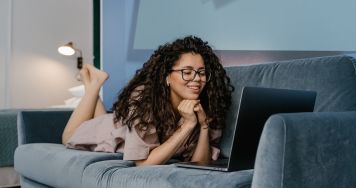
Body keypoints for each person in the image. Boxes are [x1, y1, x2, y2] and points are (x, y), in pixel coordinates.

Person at [62, 36, 234, 166]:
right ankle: (93, 85)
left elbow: (200, 165)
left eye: (201, 72)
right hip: (110, 132)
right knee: (68, 137)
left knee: (106, 120)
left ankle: (94, 87)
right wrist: (187, 126)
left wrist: (204, 126)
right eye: (187, 72)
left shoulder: (210, 102)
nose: (196, 79)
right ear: (167, 77)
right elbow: (143, 164)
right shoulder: (144, 97)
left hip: (121, 124)